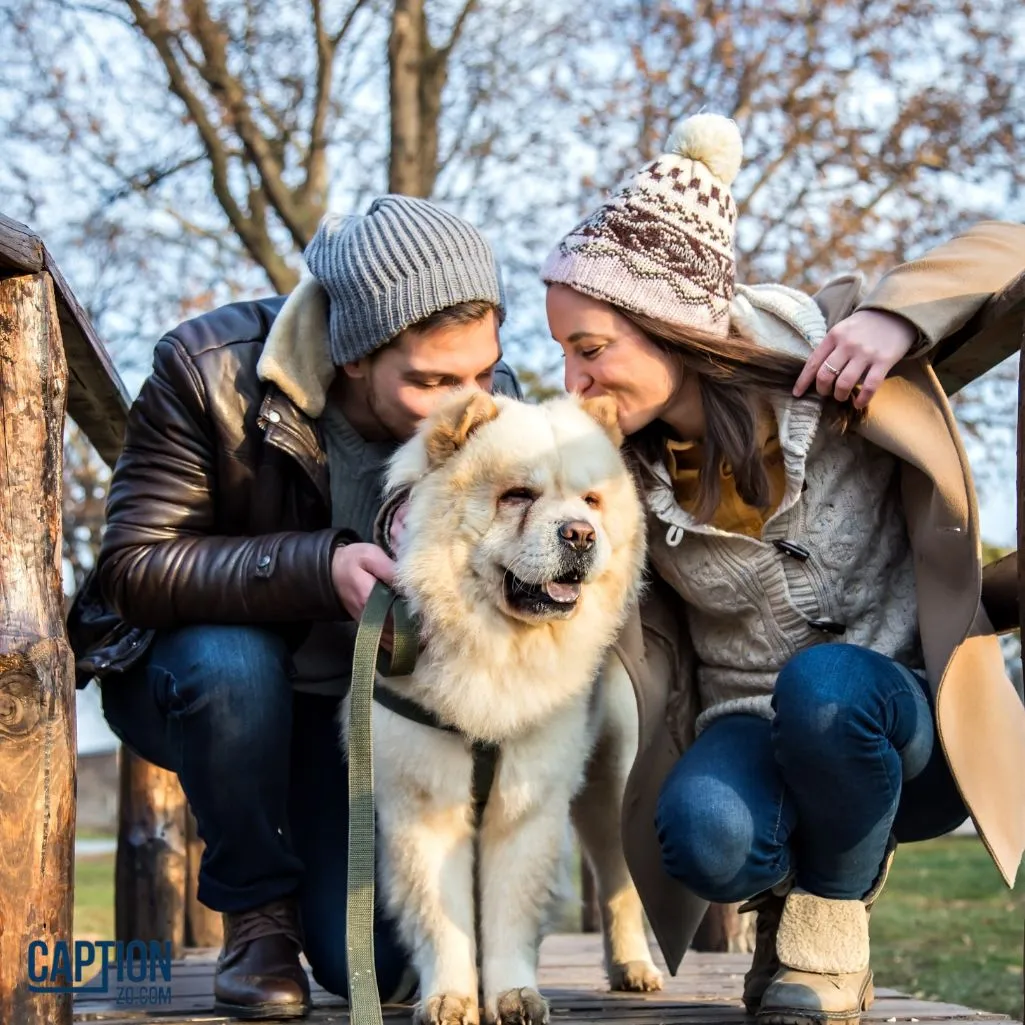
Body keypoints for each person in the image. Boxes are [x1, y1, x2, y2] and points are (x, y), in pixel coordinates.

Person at [540, 113, 1025, 1025]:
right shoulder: (616, 475)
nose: (573, 380)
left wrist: (893, 315)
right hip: (744, 723)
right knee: (700, 833)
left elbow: (1013, 252)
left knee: (827, 685)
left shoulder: (832, 360)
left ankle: (832, 917)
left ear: (672, 324)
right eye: (564, 352)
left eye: (590, 348)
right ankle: (787, 906)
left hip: (901, 722)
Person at [67, 195, 522, 1020]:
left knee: (378, 970)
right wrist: (322, 566)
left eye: (483, 371)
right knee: (232, 661)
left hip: (355, 722)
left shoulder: (493, 408)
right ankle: (256, 918)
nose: (471, 406)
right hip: (202, 685)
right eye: (433, 381)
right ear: (351, 354)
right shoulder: (208, 369)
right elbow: (134, 566)